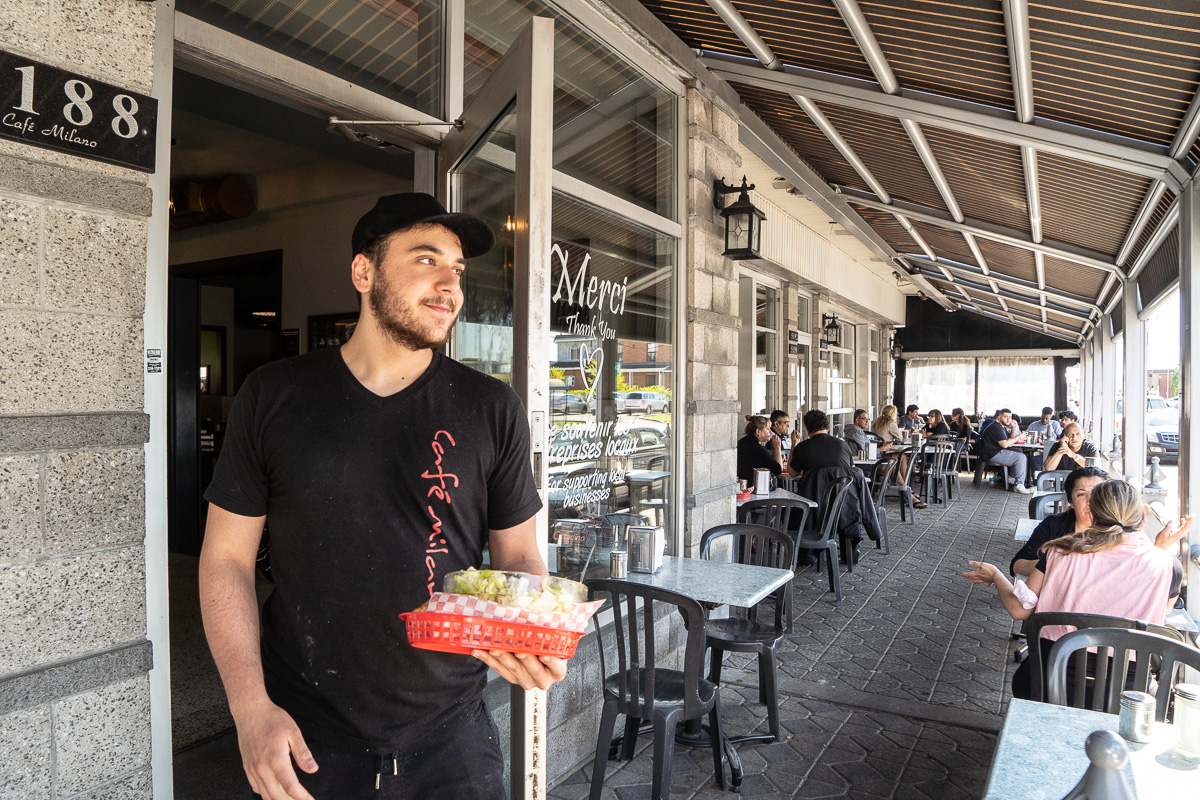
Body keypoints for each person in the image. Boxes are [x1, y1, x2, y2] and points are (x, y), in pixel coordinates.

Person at [199, 193, 564, 800]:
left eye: (457, 269)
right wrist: (249, 708)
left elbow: (519, 555)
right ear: (363, 272)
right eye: (426, 260)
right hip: (305, 735)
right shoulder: (274, 396)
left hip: (454, 739)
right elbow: (226, 559)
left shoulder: (491, 408)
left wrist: (531, 628)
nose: (450, 285)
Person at [962, 479, 1190, 700]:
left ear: (1091, 513)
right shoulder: (1168, 566)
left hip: (1046, 685)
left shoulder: (1061, 552)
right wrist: (1159, 550)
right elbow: (1162, 609)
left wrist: (997, 575)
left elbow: (1019, 609)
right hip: (1126, 696)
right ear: (1144, 514)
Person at [1010, 467, 1107, 576]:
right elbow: (1016, 564)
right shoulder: (1054, 524)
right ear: (1071, 502)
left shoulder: (1119, 530)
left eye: (1097, 493)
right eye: (1081, 494)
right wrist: (1053, 563)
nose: (1090, 501)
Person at [978, 408, 1034, 494]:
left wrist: (1014, 427)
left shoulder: (1001, 427)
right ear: (999, 417)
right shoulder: (996, 427)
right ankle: (1019, 484)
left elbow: (1011, 438)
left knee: (1019, 451)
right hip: (993, 454)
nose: (1008, 419)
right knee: (1021, 457)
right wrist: (1020, 436)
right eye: (1005, 417)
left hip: (994, 452)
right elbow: (1005, 444)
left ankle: (1014, 479)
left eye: (1010, 417)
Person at [787, 409, 853, 477]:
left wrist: (794, 443)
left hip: (814, 484)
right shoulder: (843, 445)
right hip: (841, 483)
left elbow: (792, 473)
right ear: (827, 427)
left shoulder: (802, 447)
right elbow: (851, 469)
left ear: (806, 428)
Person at [738, 414, 783, 482]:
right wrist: (777, 448)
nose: (770, 431)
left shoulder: (742, 442)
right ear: (758, 431)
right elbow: (777, 470)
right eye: (767, 429)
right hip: (752, 484)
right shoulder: (757, 448)